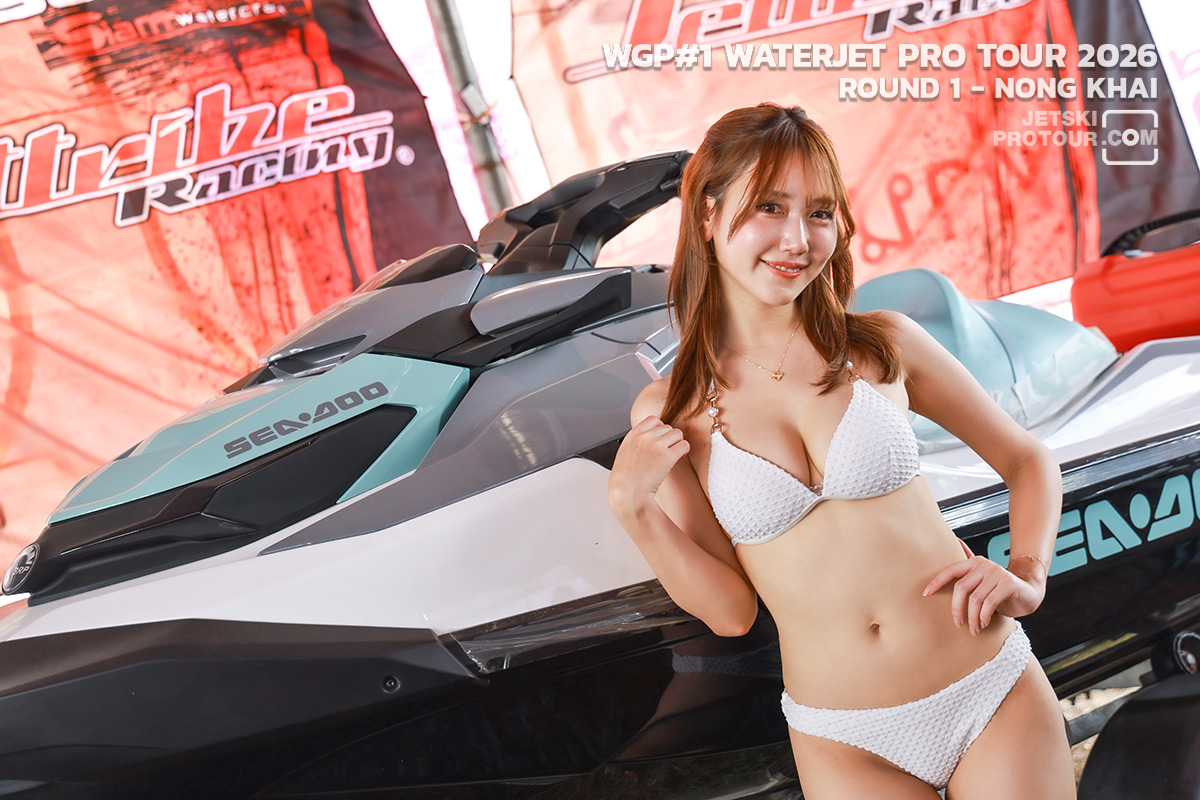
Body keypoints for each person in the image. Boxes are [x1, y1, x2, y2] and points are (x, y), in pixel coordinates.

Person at [607, 103, 1076, 799]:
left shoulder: (883, 345)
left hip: (987, 687)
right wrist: (634, 509)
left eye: (820, 212)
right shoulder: (671, 410)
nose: (797, 239)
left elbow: (1027, 460)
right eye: (770, 206)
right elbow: (732, 612)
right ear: (708, 214)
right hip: (846, 737)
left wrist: (1027, 574)